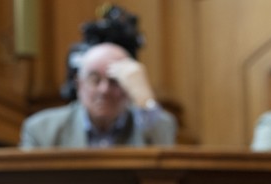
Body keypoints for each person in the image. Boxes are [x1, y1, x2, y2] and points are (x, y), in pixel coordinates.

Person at [20, 42, 177, 148]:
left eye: (115, 81)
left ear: (128, 87)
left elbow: (166, 157)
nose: (104, 90)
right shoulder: (41, 130)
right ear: (79, 84)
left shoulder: (149, 125)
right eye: (94, 79)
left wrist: (144, 97)